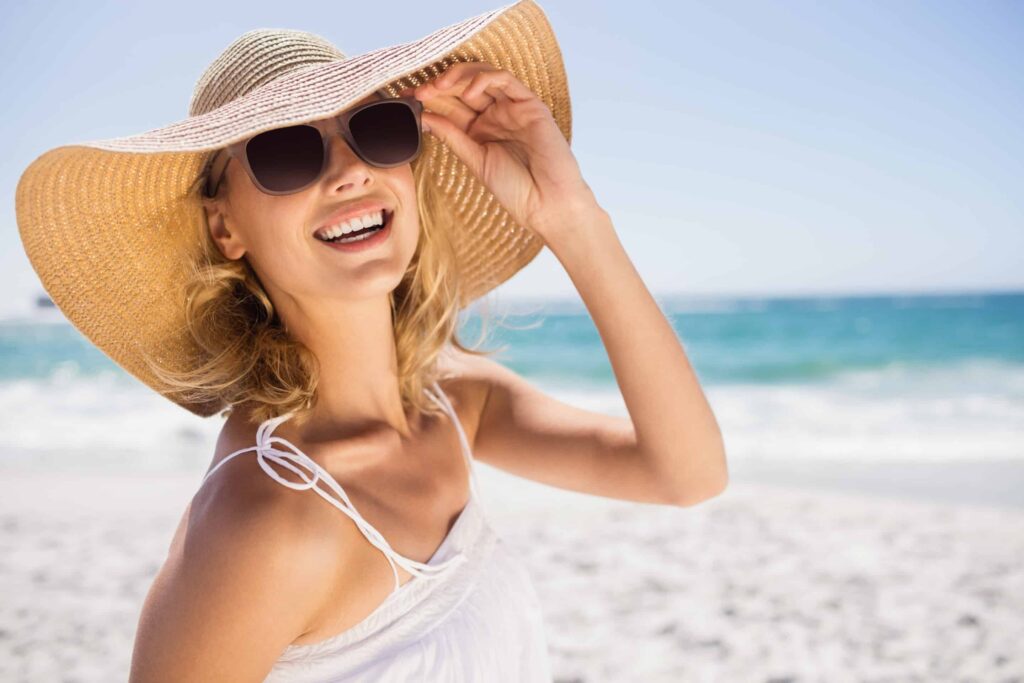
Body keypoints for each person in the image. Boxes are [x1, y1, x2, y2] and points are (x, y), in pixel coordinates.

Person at [15, 1, 728, 680]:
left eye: (377, 128)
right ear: (224, 226)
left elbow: (687, 474)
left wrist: (571, 220)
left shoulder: (451, 401)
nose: (350, 168)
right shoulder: (263, 516)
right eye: (286, 150)